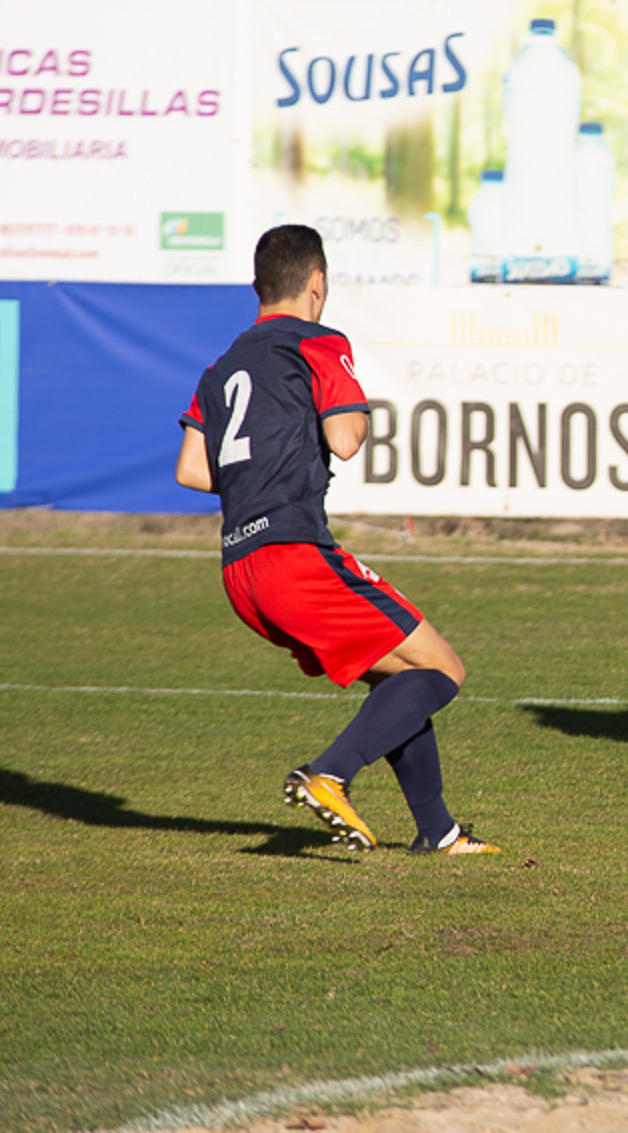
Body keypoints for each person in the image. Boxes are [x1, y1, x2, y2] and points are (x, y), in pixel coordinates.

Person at [176, 224, 497, 855]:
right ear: (317, 284)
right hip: (295, 555)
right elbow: (346, 437)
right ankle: (330, 773)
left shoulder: (221, 368)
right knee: (442, 668)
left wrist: (262, 473)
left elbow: (191, 469)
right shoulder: (318, 341)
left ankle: (439, 832)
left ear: (257, 287)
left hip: (240, 570)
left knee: (397, 679)